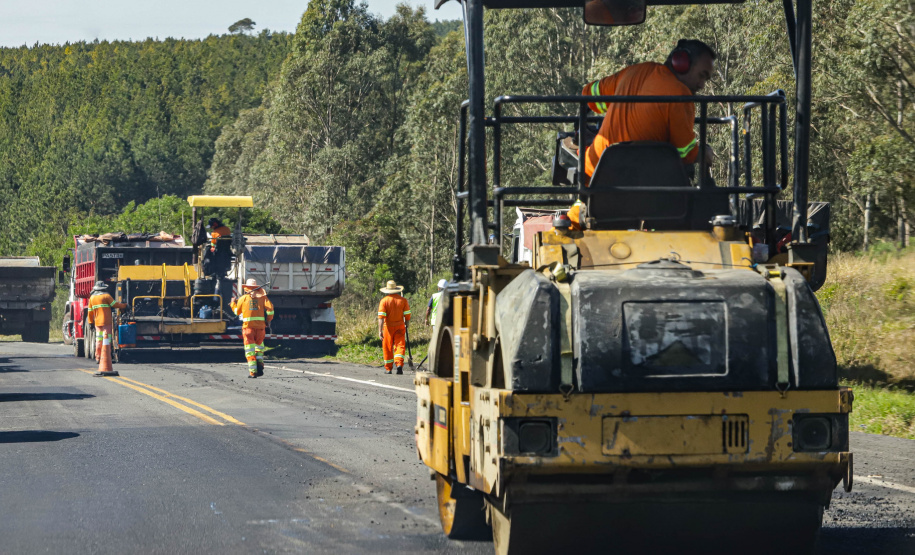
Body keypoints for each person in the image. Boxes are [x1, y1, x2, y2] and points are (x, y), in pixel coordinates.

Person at [567, 39, 717, 229]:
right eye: (702, 75)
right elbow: (685, 153)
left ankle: (574, 221)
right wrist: (704, 153)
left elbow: (589, 96)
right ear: (681, 63)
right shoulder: (680, 95)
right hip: (646, 193)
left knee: (574, 219)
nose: (702, 85)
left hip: (596, 183)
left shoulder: (634, 72)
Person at [231, 278, 275, 378]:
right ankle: (260, 365)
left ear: (246, 288)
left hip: (248, 329)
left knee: (250, 351)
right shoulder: (263, 298)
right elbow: (270, 310)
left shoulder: (243, 298)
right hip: (260, 329)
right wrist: (268, 320)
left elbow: (237, 312)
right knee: (259, 348)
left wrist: (233, 303)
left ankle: (253, 372)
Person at [87, 281, 126, 374]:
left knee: (99, 339)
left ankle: (98, 357)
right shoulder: (106, 296)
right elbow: (115, 304)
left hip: (97, 323)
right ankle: (107, 356)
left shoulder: (92, 298)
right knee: (107, 340)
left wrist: (90, 322)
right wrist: (124, 305)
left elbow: (90, 311)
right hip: (106, 322)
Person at [377, 280, 411, 375]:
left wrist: (380, 331)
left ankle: (388, 368)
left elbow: (381, 317)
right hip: (400, 326)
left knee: (387, 347)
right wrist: (407, 323)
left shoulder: (384, 301)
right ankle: (399, 364)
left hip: (387, 327)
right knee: (400, 345)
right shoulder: (403, 300)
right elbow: (407, 315)